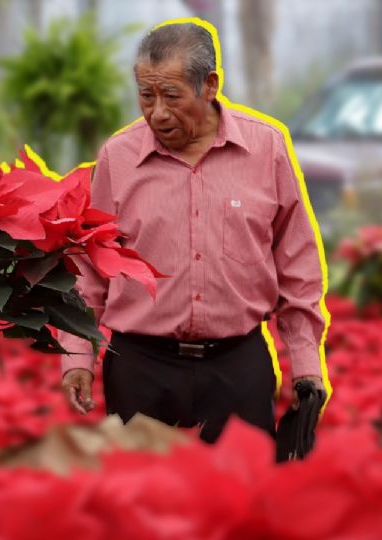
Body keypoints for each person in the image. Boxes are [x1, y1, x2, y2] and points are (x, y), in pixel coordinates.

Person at [60, 21, 329, 444]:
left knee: (242, 501)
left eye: (171, 95)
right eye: (146, 96)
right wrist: (77, 356)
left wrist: (306, 365)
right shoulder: (119, 157)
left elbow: (297, 264)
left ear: (210, 85)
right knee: (141, 499)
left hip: (238, 366)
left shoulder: (267, 148)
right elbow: (90, 269)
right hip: (140, 367)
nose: (157, 113)